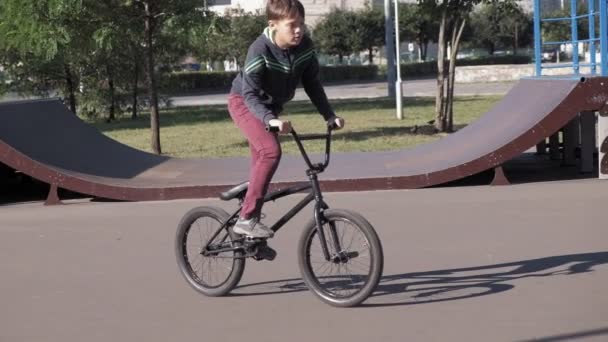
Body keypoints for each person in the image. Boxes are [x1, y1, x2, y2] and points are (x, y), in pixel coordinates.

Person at [227, 0, 344, 239]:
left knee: (262, 159)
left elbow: (313, 84)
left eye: (301, 23)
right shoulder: (260, 49)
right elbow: (249, 94)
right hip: (244, 103)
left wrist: (329, 115)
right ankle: (247, 218)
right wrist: (270, 120)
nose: (299, 29)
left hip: (270, 109)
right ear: (274, 25)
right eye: (292, 25)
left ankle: (250, 228)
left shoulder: (305, 48)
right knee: (270, 152)